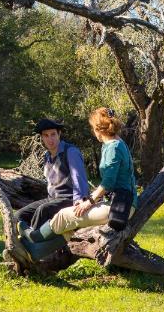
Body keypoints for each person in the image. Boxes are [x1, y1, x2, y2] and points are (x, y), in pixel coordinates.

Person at [19, 107, 138, 261]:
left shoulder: (112, 147)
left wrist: (88, 202)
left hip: (120, 208)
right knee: (70, 224)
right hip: (122, 204)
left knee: (64, 215)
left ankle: (35, 237)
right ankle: (38, 251)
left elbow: (108, 183)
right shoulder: (117, 142)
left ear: (97, 128)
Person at [15, 117, 91, 237]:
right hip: (52, 199)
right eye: (46, 135)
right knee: (19, 215)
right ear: (41, 137)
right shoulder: (47, 156)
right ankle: (20, 244)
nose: (50, 139)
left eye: (53, 134)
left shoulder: (70, 152)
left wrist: (79, 201)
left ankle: (34, 245)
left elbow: (79, 178)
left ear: (59, 134)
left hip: (69, 199)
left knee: (43, 210)